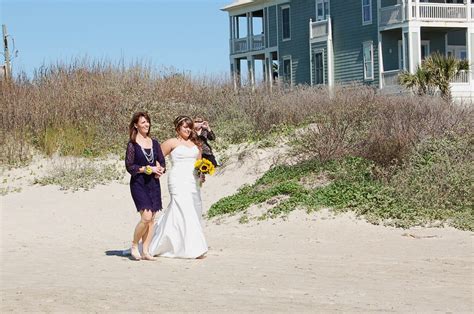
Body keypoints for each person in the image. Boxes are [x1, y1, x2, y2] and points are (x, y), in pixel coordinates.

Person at [148, 115, 208, 259]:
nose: (188, 129)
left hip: (192, 180)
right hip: (177, 179)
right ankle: (191, 248)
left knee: (192, 209)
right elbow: (157, 157)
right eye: (185, 127)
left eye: (189, 127)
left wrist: (202, 174)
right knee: (181, 206)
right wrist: (158, 169)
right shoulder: (171, 142)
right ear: (177, 128)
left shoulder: (196, 144)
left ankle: (187, 244)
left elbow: (199, 163)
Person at [125, 112, 165, 261]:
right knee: (146, 216)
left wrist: (160, 170)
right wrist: (146, 169)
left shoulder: (154, 143)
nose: (146, 125)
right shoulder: (132, 144)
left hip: (153, 184)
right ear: (136, 125)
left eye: (147, 122)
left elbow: (161, 161)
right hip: (139, 183)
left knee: (152, 218)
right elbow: (130, 166)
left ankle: (146, 250)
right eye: (143, 122)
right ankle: (135, 244)